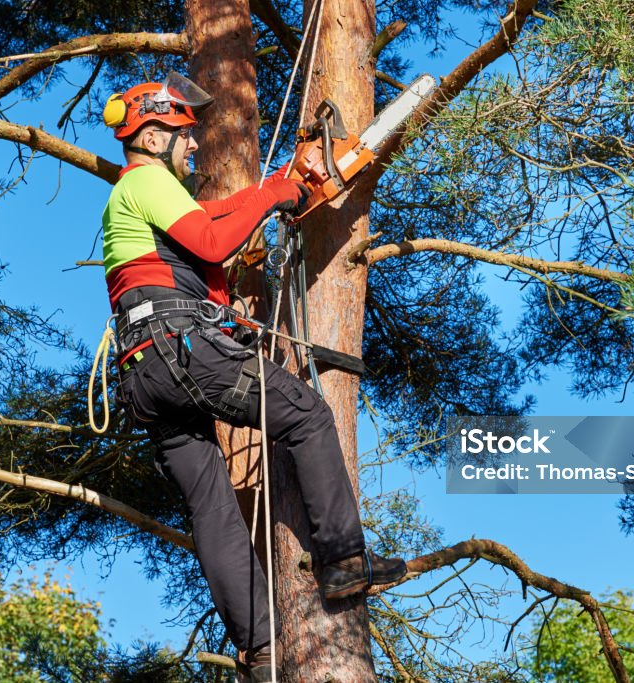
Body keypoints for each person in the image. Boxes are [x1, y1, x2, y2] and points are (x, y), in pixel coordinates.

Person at [100, 72, 406, 682]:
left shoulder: (144, 201)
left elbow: (211, 219)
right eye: (185, 136)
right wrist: (273, 196)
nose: (194, 148)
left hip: (144, 375)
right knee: (307, 416)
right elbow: (213, 241)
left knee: (212, 507)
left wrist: (279, 187)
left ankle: (261, 649)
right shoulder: (147, 182)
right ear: (155, 137)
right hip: (177, 350)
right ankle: (343, 560)